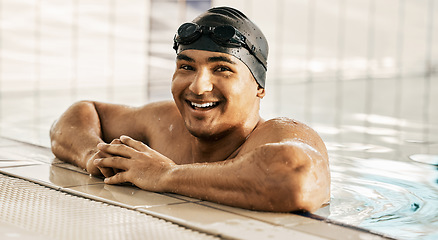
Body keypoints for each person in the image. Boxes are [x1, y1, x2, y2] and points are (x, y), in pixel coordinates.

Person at [50, 6, 330, 212]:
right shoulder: (164, 122)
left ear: (259, 87)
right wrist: (93, 156)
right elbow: (82, 114)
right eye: (186, 67)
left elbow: (296, 180)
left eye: (222, 69)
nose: (198, 87)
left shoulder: (279, 133)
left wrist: (164, 175)